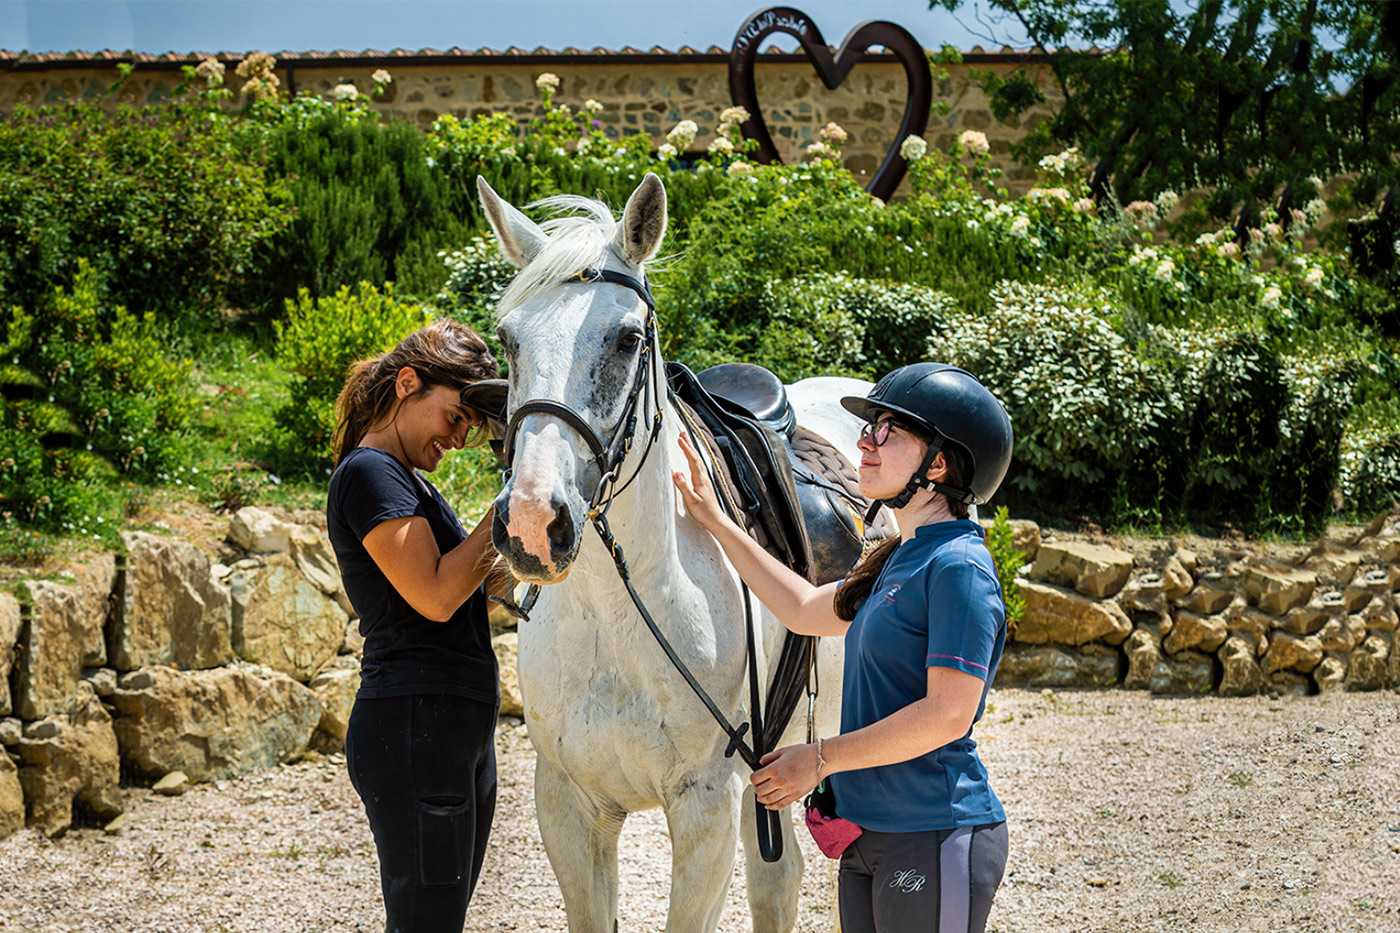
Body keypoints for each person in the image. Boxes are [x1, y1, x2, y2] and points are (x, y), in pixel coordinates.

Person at [671, 362, 1015, 933]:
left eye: (888, 431)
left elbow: (949, 714)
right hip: (870, 835)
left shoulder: (958, 567)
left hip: (932, 831)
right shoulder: (899, 558)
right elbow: (804, 609)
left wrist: (819, 758)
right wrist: (716, 519)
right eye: (868, 427)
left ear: (939, 463)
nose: (865, 442)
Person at [325, 318, 503, 933]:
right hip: (415, 722)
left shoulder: (411, 485)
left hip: (447, 726)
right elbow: (434, 594)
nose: (458, 439)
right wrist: (512, 504)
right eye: (455, 417)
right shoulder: (370, 474)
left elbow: (483, 581)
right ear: (407, 383)